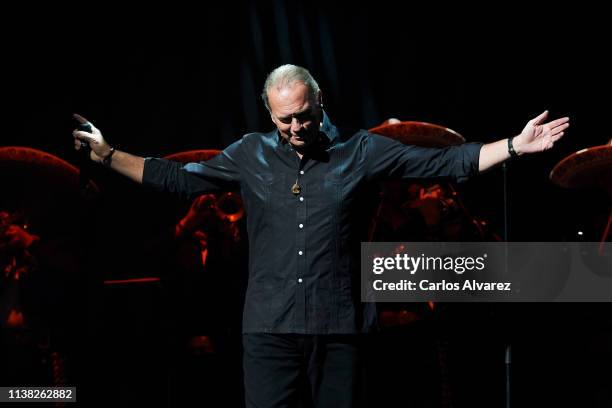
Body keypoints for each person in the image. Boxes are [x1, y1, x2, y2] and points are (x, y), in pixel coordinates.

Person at [72, 64, 569, 408]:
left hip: (340, 329)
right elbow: (178, 178)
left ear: (319, 102)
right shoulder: (250, 153)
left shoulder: (363, 151)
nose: (295, 127)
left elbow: (444, 160)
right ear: (270, 115)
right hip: (269, 329)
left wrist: (515, 147)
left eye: (304, 115)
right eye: (284, 119)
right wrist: (110, 155)